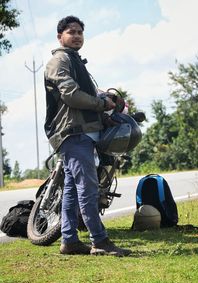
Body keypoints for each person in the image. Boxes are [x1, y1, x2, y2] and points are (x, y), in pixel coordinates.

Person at [44, 15, 132, 256]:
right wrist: (101, 104)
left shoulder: (76, 61)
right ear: (60, 36)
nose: (77, 36)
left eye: (80, 32)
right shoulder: (59, 60)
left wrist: (106, 114)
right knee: (88, 188)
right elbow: (71, 95)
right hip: (73, 133)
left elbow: (85, 103)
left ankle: (69, 241)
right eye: (71, 32)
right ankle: (100, 240)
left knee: (72, 190)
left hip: (83, 133)